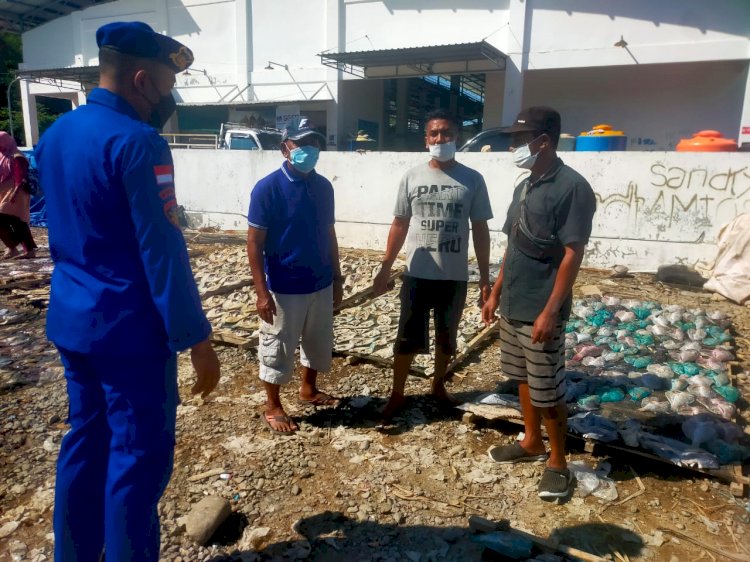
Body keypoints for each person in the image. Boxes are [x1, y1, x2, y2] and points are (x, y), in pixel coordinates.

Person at [35, 22, 220, 561]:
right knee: (136, 463)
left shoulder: (56, 136)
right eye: (164, 86)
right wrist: (197, 340)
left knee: (84, 447)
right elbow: (161, 250)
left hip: (73, 321)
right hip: (130, 334)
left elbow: (63, 228)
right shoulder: (139, 141)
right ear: (142, 79)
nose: (165, 98)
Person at [482, 106, 596, 499]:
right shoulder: (526, 184)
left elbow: (572, 253)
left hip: (540, 310)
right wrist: (495, 292)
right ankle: (531, 441)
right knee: (524, 380)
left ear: (543, 141)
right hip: (514, 303)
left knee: (548, 389)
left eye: (519, 139)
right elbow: (514, 244)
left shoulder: (572, 187)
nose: (513, 146)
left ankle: (559, 462)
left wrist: (550, 310)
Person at [373, 109, 493, 420]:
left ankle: (438, 385)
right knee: (407, 337)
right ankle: (397, 393)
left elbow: (480, 228)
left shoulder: (473, 179)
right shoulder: (412, 176)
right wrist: (386, 266)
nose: (441, 139)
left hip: (453, 277)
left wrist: (484, 277)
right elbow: (399, 223)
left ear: (457, 138)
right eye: (435, 134)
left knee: (446, 337)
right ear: (426, 139)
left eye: (447, 133)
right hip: (416, 273)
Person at [247, 116, 343, 435]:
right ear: (284, 148)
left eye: (314, 143)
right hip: (283, 286)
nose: (309, 149)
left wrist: (338, 278)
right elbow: (254, 242)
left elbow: (329, 234)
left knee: (317, 342)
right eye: (302, 143)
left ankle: (308, 389)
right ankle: (273, 405)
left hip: (319, 282)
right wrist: (262, 293)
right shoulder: (267, 189)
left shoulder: (323, 187)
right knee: (278, 346)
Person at [0, 132, 38, 259]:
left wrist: (15, 193)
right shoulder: (2, 156)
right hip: (4, 192)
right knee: (16, 221)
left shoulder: (17, 156)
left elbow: (20, 176)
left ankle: (19, 247)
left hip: (16, 192)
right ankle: (18, 248)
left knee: (14, 219)